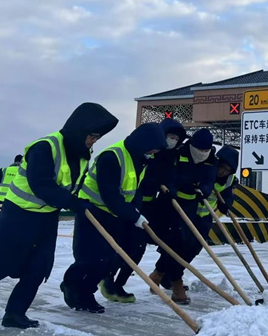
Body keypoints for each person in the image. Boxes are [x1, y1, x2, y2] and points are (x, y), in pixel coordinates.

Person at [0, 103, 118, 329]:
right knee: (2, 262)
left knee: (39, 267)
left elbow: (75, 183)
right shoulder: (45, 147)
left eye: (97, 138)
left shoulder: (83, 154)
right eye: (92, 136)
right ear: (79, 129)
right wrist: (73, 202)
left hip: (47, 217)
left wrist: (80, 200)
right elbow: (41, 185)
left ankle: (15, 314)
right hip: (19, 214)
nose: (93, 141)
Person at [60, 122, 167, 313]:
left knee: (108, 259)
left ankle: (87, 292)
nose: (154, 153)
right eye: (152, 149)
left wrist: (137, 213)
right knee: (90, 256)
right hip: (92, 210)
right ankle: (72, 285)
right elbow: (110, 196)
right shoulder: (112, 157)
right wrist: (133, 216)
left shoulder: (140, 158)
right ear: (143, 143)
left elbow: (135, 190)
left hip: (115, 213)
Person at [99, 118, 187, 303]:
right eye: (170, 136)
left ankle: (120, 283)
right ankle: (107, 279)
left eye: (176, 138)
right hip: (129, 206)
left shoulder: (171, 156)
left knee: (138, 248)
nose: (173, 141)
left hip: (150, 207)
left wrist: (169, 187)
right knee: (122, 245)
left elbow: (171, 176)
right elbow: (138, 179)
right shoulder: (142, 152)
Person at [148, 128, 217, 305]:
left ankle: (159, 273)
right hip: (171, 204)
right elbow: (168, 174)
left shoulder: (211, 161)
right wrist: (172, 187)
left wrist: (205, 190)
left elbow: (210, 179)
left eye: (205, 151)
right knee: (176, 241)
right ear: (192, 145)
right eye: (199, 149)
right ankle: (176, 282)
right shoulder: (179, 154)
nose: (202, 154)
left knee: (191, 245)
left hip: (191, 206)